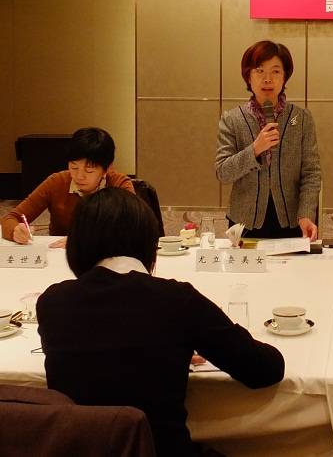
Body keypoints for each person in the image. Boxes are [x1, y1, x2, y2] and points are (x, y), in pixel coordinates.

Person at [37, 188, 285, 457]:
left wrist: (171, 347)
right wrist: (181, 344)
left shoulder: (52, 303)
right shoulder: (176, 299)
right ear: (147, 242)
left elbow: (103, 350)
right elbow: (265, 369)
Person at [216, 40, 321, 241]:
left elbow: (311, 173)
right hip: (244, 223)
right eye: (259, 71)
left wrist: (306, 213)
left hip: (292, 222)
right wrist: (255, 149)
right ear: (248, 76)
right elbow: (223, 172)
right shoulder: (232, 119)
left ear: (284, 77)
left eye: (275, 71)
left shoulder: (301, 119)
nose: (267, 79)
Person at [1, 127, 134, 248]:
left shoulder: (119, 185)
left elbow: (133, 228)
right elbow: (10, 218)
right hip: (59, 255)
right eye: (74, 167)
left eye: (89, 170)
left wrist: (84, 240)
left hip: (103, 256)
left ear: (107, 169)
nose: (79, 176)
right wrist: (15, 231)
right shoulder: (57, 182)